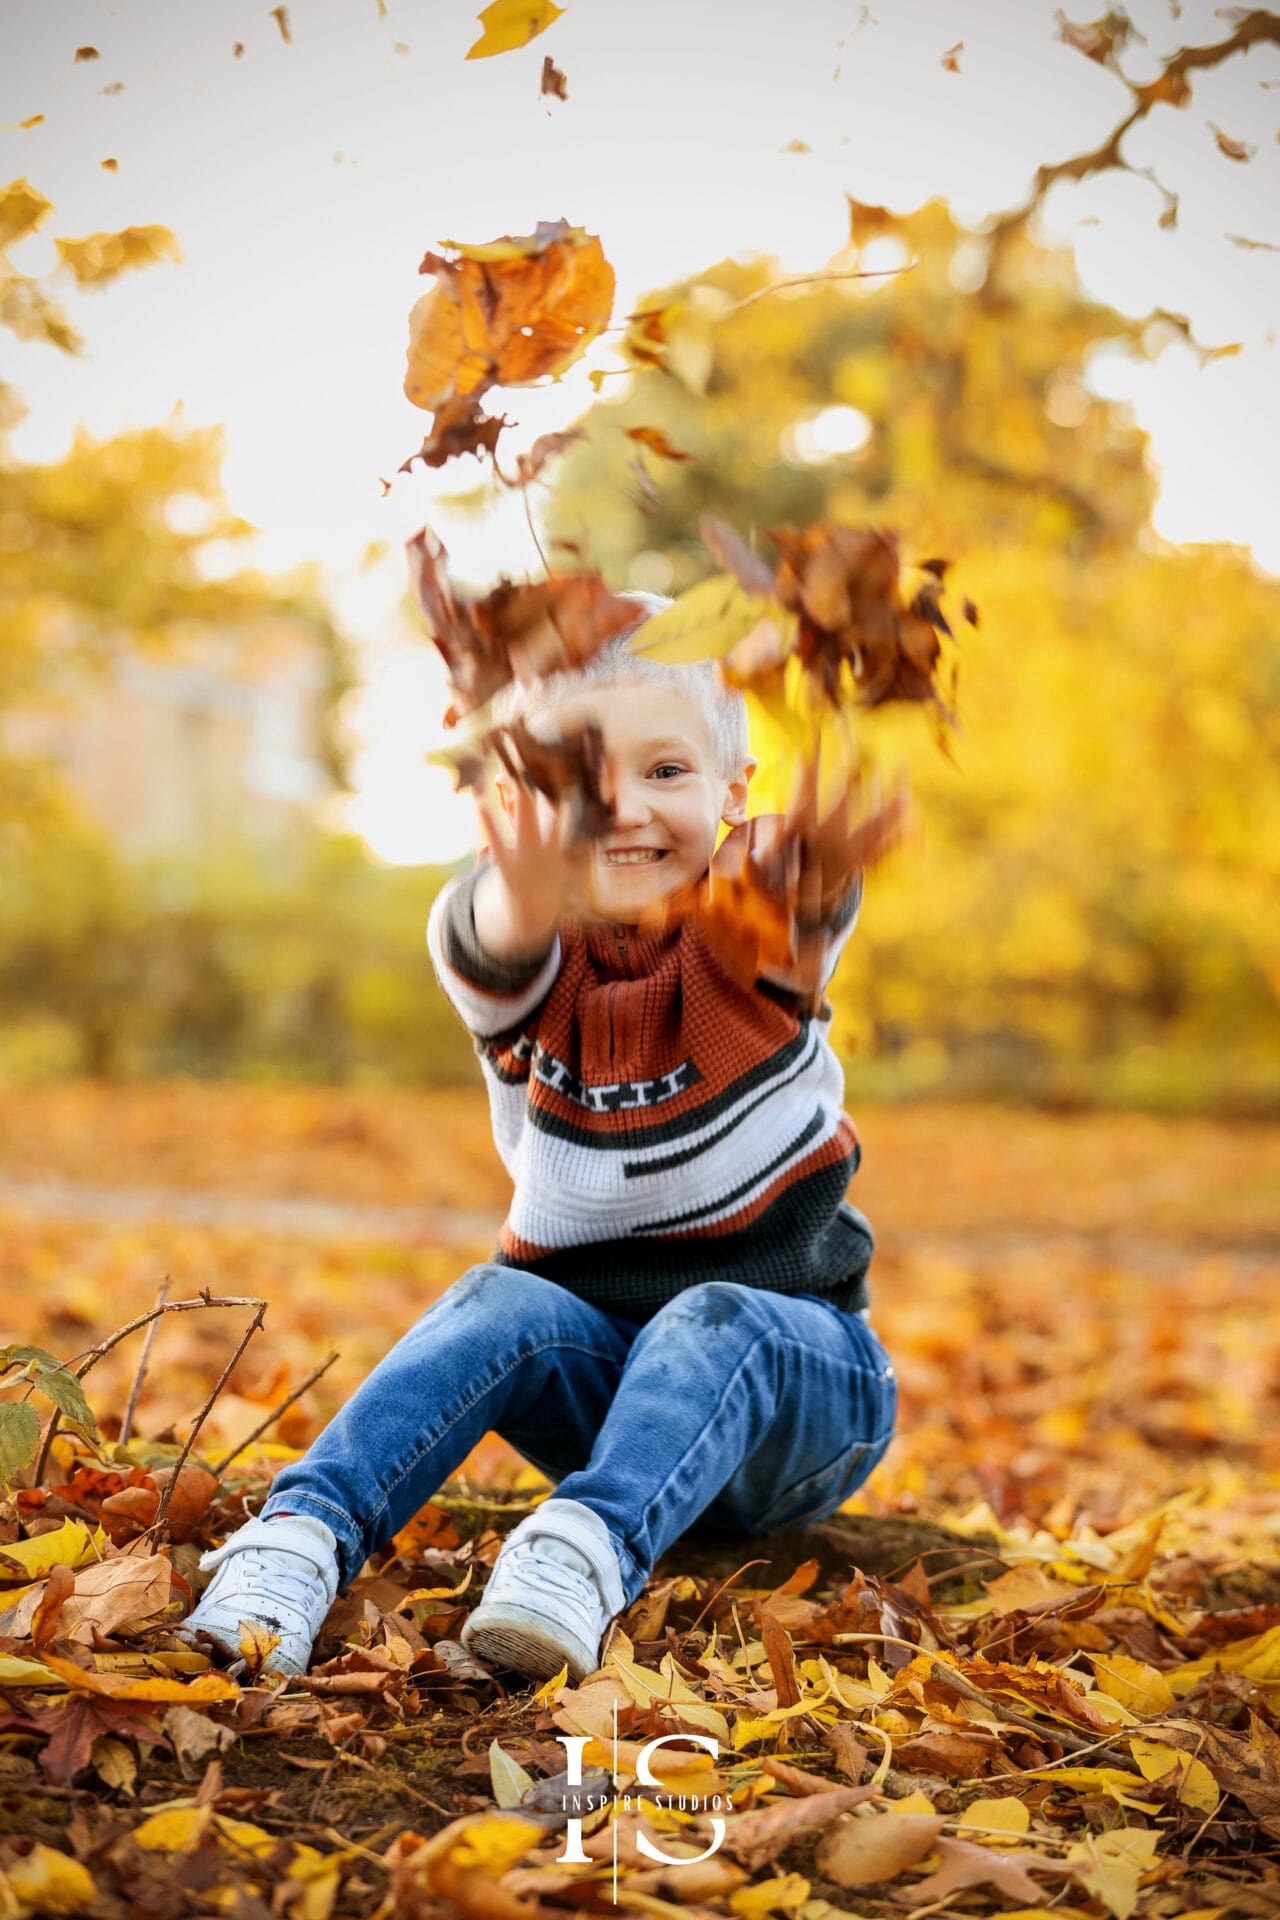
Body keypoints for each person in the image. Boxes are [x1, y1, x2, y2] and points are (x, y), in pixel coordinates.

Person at [178, 600, 897, 1683]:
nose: (624, 808)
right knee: (496, 1299)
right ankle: (300, 1538)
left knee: (709, 1318)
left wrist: (816, 846)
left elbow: (789, 891)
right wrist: (519, 871)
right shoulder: (525, 972)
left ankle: (581, 1552)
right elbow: (490, 932)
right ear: (513, 811)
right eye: (578, 782)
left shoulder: (746, 944)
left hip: (802, 1390)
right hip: (610, 1400)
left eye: (666, 771)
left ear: (730, 792)